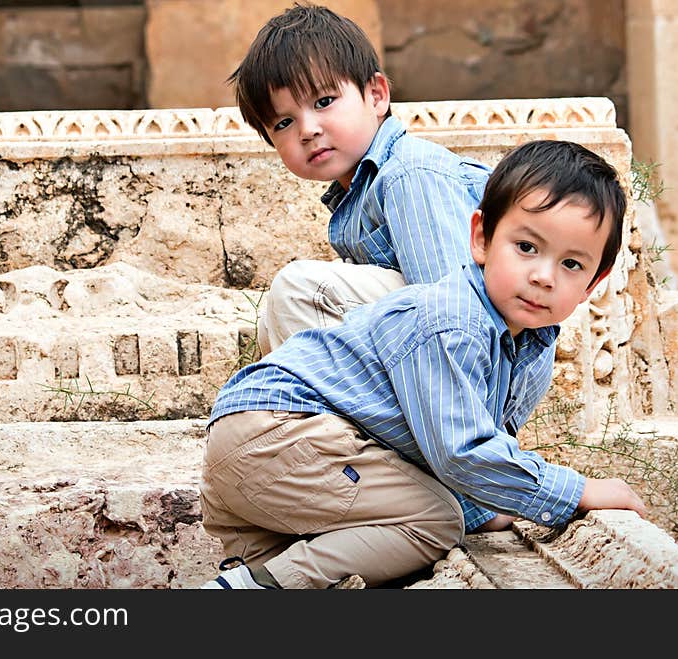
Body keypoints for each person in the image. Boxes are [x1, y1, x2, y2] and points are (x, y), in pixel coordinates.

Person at [199, 139, 647, 589]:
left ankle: (252, 579)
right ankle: (252, 588)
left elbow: (450, 449)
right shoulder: (454, 322)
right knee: (435, 520)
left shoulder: (524, 344)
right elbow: (461, 453)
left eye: (571, 263)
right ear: (481, 238)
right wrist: (578, 492)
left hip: (268, 454)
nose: (543, 276)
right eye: (526, 247)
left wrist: (486, 505)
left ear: (594, 283)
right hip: (280, 435)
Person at [228, 3, 492, 356]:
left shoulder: (408, 175)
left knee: (298, 291)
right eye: (284, 123)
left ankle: (336, 410)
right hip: (423, 345)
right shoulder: (355, 191)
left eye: (324, 101)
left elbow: (452, 314)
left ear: (377, 95)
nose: (307, 130)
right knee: (273, 322)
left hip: (466, 363)